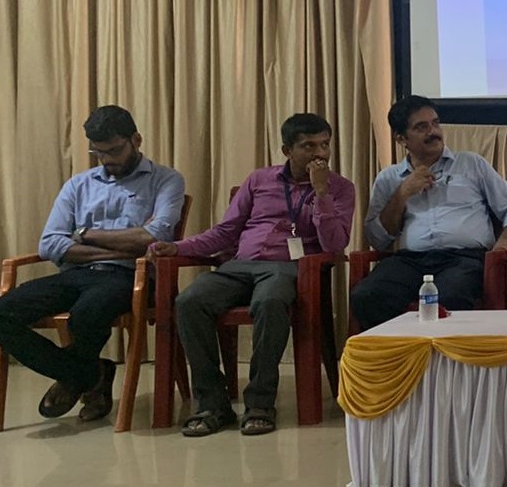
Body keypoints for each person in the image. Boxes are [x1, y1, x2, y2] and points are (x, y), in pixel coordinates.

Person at [151, 113, 355, 437]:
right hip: (239, 265)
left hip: (288, 269)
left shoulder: (340, 188)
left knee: (270, 301)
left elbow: (335, 244)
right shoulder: (259, 180)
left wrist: (321, 194)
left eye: (325, 145)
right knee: (190, 301)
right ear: (287, 150)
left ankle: (260, 404)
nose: (320, 154)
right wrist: (177, 247)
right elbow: (225, 231)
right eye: (309, 146)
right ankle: (212, 404)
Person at [0, 106, 185, 424]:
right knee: (4, 313)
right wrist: (119, 248)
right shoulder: (78, 185)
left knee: (86, 314)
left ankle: (78, 375)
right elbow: (50, 244)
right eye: (98, 152)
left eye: (114, 150)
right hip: (75, 274)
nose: (106, 159)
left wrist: (84, 234)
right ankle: (90, 373)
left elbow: (154, 237)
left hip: (130, 276)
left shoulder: (166, 180)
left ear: (136, 140)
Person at [351, 96, 507, 330]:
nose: (433, 132)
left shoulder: (471, 164)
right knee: (367, 295)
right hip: (410, 261)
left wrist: (506, 238)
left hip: (464, 259)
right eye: (421, 127)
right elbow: (378, 239)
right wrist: (402, 194)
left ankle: (440, 354)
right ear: (401, 138)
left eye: (435, 123)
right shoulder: (388, 178)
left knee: (449, 297)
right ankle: (400, 352)